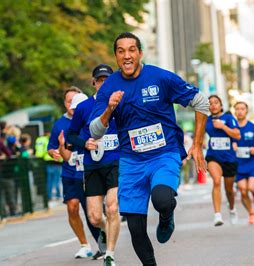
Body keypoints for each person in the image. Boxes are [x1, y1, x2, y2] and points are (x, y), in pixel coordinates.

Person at [89, 32, 208, 266]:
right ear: (116, 56)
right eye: (121, 51)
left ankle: (167, 216)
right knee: (135, 227)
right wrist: (109, 110)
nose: (127, 55)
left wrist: (197, 145)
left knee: (162, 199)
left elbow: (201, 101)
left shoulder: (160, 78)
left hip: (164, 154)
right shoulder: (109, 88)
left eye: (131, 49)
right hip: (131, 162)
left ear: (140, 53)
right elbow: (95, 132)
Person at [66, 64, 119, 265]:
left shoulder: (122, 104)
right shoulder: (83, 108)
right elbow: (71, 135)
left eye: (107, 80)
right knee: (95, 217)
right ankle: (105, 231)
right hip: (92, 164)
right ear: (93, 82)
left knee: (113, 208)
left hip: (115, 161)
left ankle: (110, 255)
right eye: (100, 80)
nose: (103, 84)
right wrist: (84, 143)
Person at [48, 87, 103, 259]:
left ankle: (103, 242)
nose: (72, 105)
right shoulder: (60, 125)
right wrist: (57, 150)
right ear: (65, 104)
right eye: (68, 101)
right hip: (70, 172)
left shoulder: (91, 118)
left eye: (75, 101)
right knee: (72, 207)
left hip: (89, 171)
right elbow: (55, 150)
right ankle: (84, 245)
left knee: (92, 211)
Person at [205, 95, 240, 226]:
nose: (213, 105)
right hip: (213, 156)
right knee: (216, 180)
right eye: (210, 103)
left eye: (216, 102)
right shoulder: (206, 120)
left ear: (221, 105)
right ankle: (217, 215)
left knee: (229, 190)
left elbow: (237, 135)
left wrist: (222, 127)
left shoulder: (229, 118)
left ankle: (232, 209)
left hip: (229, 158)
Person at [233, 102, 254, 224]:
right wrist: (232, 145)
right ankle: (251, 213)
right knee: (243, 190)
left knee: (251, 187)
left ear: (246, 111)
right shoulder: (232, 129)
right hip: (238, 164)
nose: (240, 111)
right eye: (237, 109)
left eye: (242, 109)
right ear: (234, 111)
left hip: (253, 163)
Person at [36, 131, 62, 201]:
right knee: (56, 180)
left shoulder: (43, 140)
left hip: (48, 162)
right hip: (57, 162)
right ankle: (58, 195)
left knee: (49, 180)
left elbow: (40, 152)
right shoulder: (58, 139)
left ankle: (49, 196)